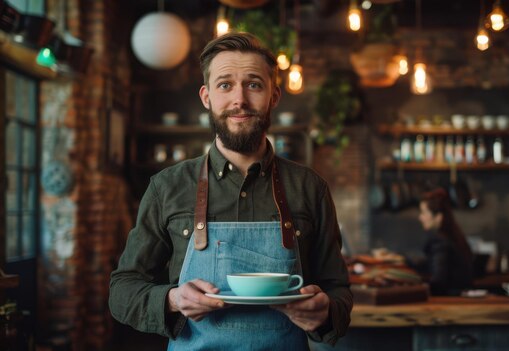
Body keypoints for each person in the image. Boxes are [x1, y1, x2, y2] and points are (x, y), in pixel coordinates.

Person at [109, 32, 352, 350]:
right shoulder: (167, 187)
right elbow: (123, 290)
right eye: (225, 85)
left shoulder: (310, 188)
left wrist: (325, 312)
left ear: (273, 96)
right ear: (206, 96)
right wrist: (172, 299)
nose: (239, 100)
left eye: (254, 84)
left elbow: (339, 291)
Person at [417, 188, 473, 295]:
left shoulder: (439, 241)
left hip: (450, 301)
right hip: (461, 298)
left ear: (438, 217)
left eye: (423, 212)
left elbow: (438, 281)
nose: (420, 217)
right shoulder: (454, 236)